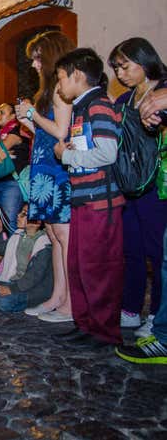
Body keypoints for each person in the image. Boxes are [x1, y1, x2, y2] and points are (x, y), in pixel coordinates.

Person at [53, 48, 124, 347]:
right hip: (84, 197)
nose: (58, 86)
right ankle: (85, 323)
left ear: (77, 76)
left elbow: (108, 153)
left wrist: (66, 154)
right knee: (79, 265)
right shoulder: (82, 107)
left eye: (60, 78)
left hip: (100, 199)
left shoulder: (99, 106)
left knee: (99, 267)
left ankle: (104, 331)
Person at [15, 30, 75, 324]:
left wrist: (33, 115)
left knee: (64, 235)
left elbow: (62, 131)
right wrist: (28, 121)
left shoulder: (61, 91)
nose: (35, 65)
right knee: (52, 234)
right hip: (43, 167)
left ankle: (70, 304)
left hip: (56, 169)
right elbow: (44, 131)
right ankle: (57, 296)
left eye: (38, 58)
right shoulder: (47, 92)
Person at [109, 38, 167, 336]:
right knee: (131, 248)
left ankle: (157, 313)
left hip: (156, 182)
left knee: (157, 252)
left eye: (125, 65)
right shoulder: (123, 100)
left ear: (144, 60)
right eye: (116, 68)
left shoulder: (162, 92)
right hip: (129, 181)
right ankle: (131, 308)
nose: (120, 73)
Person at [0, 204, 53, 313]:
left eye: (24, 214)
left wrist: (12, 289)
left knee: (3, 303)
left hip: (34, 289)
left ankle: (35, 304)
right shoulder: (18, 234)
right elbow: (1, 250)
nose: (18, 215)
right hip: (15, 283)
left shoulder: (44, 244)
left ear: (38, 222)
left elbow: (34, 276)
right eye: (20, 212)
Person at [0, 103, 31, 226]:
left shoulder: (17, 130)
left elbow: (2, 147)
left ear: (13, 116)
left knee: (9, 222)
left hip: (12, 182)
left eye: (2, 112)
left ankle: (13, 245)